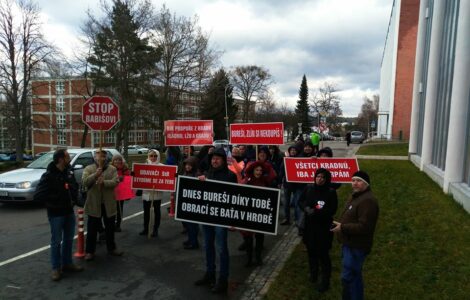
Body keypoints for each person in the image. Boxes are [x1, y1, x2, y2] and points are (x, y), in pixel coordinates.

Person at [34, 149, 83, 281]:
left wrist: (77, 199)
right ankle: (56, 268)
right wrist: (55, 200)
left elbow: (73, 188)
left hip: (68, 212)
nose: (69, 158)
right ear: (60, 159)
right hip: (56, 214)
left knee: (68, 240)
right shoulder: (49, 175)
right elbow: (39, 195)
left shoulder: (69, 172)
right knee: (56, 242)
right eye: (67, 156)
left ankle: (67, 263)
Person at [194, 148, 238, 294]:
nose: (215, 160)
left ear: (224, 160)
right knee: (207, 246)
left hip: (221, 218)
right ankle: (210, 274)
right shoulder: (207, 174)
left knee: (221, 248)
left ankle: (223, 280)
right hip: (207, 216)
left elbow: (235, 198)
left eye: (218, 158)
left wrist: (232, 219)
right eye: (213, 158)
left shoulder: (230, 176)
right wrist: (200, 181)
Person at [331, 171, 379, 300]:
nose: (355, 183)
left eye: (359, 181)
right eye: (353, 180)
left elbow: (364, 227)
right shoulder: (357, 196)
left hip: (356, 246)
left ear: (366, 184)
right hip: (349, 243)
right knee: (352, 277)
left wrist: (342, 227)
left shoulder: (368, 200)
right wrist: (341, 224)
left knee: (350, 277)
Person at [299, 168, 338, 292]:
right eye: (318, 176)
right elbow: (301, 201)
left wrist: (316, 213)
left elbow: (332, 210)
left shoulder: (331, 192)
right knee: (311, 252)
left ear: (326, 179)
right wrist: (306, 209)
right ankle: (313, 274)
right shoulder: (309, 189)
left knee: (323, 255)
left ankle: (325, 281)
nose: (319, 179)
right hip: (310, 227)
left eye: (322, 177)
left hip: (323, 228)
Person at [82, 149, 123, 261]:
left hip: (108, 203)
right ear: (95, 157)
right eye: (98, 156)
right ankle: (90, 251)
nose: (101, 158)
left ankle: (111, 248)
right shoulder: (89, 168)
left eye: (103, 157)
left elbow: (115, 182)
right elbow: (85, 182)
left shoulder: (112, 169)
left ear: (106, 158)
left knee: (110, 228)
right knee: (92, 229)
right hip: (94, 204)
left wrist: (104, 182)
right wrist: (96, 175)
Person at [241, 161, 276, 267]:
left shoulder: (265, 181)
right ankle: (249, 258)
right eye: (257, 170)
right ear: (252, 170)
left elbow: (273, 174)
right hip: (248, 213)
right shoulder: (246, 181)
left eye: (261, 170)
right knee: (248, 238)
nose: (259, 172)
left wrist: (265, 165)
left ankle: (258, 257)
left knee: (260, 236)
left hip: (260, 214)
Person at [140, 149, 164, 237]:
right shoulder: (144, 166)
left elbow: (166, 178)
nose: (153, 158)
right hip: (146, 193)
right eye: (151, 156)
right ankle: (146, 229)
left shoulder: (162, 166)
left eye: (155, 156)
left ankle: (155, 229)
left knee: (157, 212)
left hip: (157, 194)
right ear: (148, 156)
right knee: (146, 212)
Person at [278, 145, 303, 225]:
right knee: (286, 203)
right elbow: (281, 171)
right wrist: (279, 182)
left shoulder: (300, 160)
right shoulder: (285, 160)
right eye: (291, 150)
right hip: (287, 185)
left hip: (297, 185)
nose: (293, 151)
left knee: (297, 203)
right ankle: (286, 218)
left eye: (294, 150)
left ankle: (296, 219)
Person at [180, 156, 200, 249]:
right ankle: (190, 239)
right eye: (186, 165)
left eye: (190, 165)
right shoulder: (185, 173)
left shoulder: (197, 175)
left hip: (193, 203)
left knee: (193, 225)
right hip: (186, 202)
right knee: (188, 224)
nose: (187, 167)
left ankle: (194, 243)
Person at [111, 154, 133, 232]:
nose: (117, 161)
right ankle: (111, 224)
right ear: (113, 161)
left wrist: (122, 178)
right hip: (111, 193)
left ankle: (118, 225)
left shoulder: (125, 169)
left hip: (121, 193)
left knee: (119, 209)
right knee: (112, 209)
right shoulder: (110, 168)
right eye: (115, 160)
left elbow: (127, 180)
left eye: (119, 160)